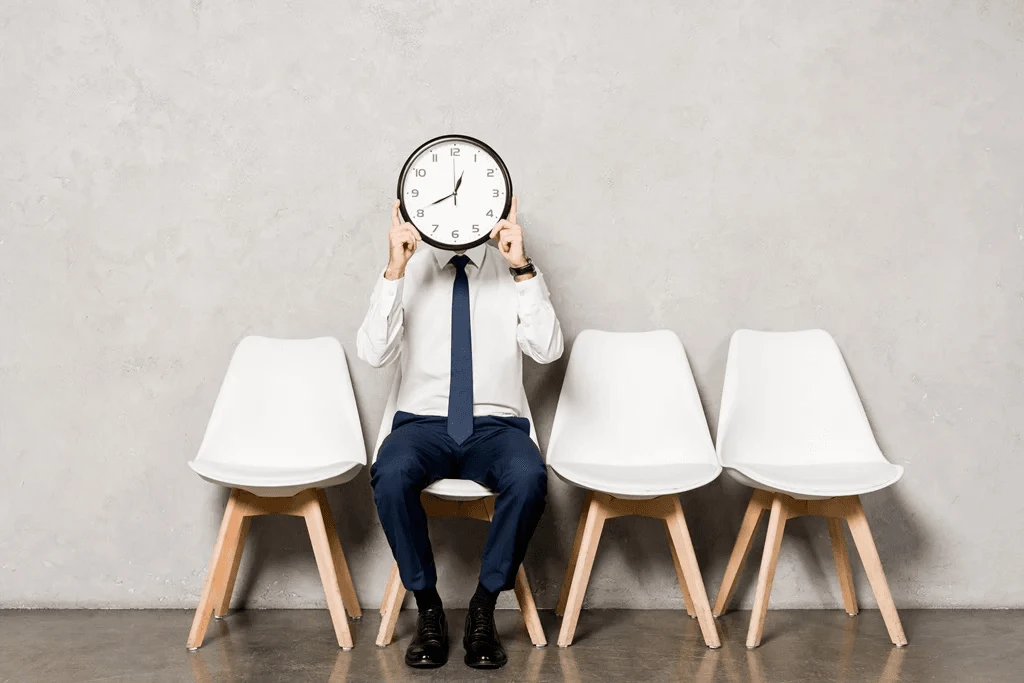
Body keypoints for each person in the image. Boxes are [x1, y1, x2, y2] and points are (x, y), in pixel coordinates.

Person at [357, 196, 563, 669]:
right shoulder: (408, 270)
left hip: (495, 426)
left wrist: (523, 268)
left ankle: (483, 607)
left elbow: (548, 350)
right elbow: (373, 353)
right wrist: (393, 271)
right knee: (390, 473)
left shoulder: (512, 272)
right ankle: (428, 607)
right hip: (422, 425)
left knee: (528, 475)